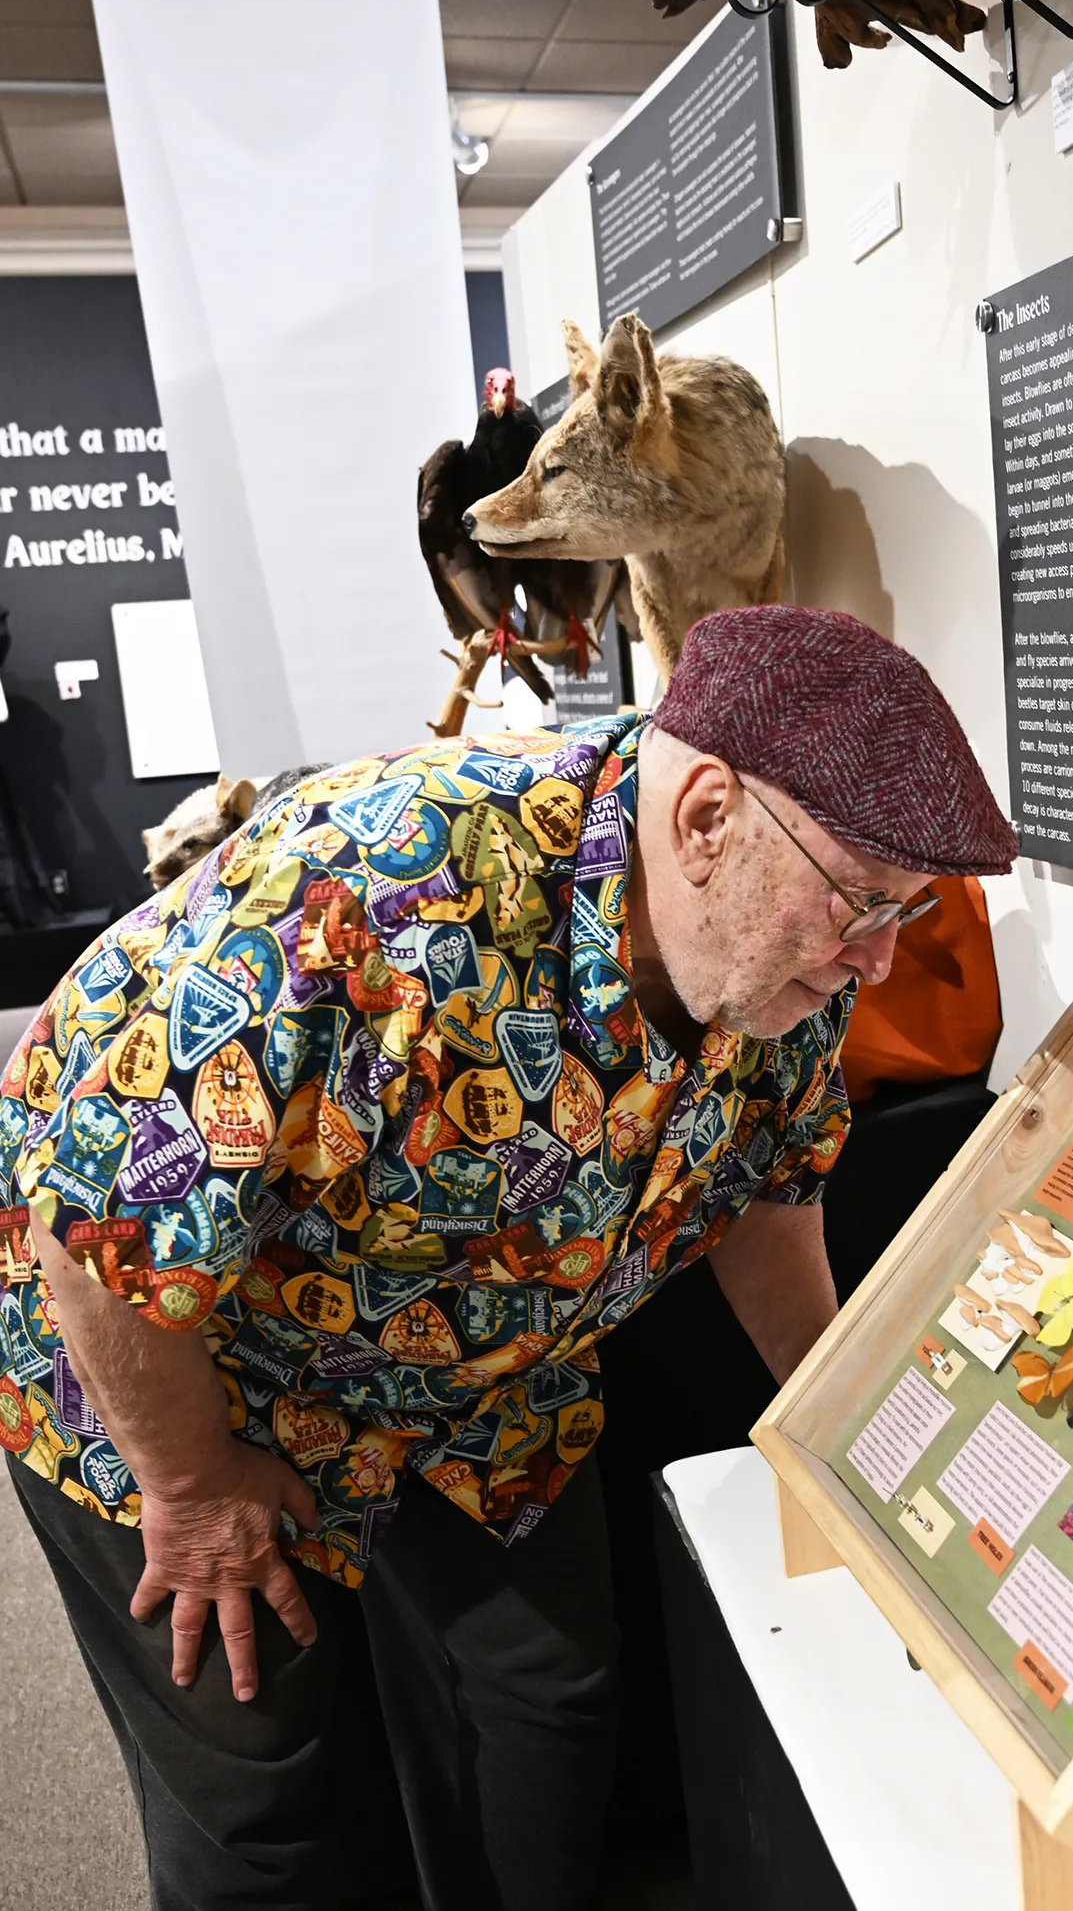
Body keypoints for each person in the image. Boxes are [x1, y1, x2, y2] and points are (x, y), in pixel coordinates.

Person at [0, 605, 1017, 1910]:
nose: (881, 957)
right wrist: (191, 1487)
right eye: (864, 905)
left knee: (550, 1693)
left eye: (909, 909)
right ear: (705, 819)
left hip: (479, 1367)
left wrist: (840, 1427)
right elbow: (96, 1233)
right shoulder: (361, 897)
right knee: (264, 1789)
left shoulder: (785, 960)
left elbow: (766, 1196)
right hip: (181, 1365)